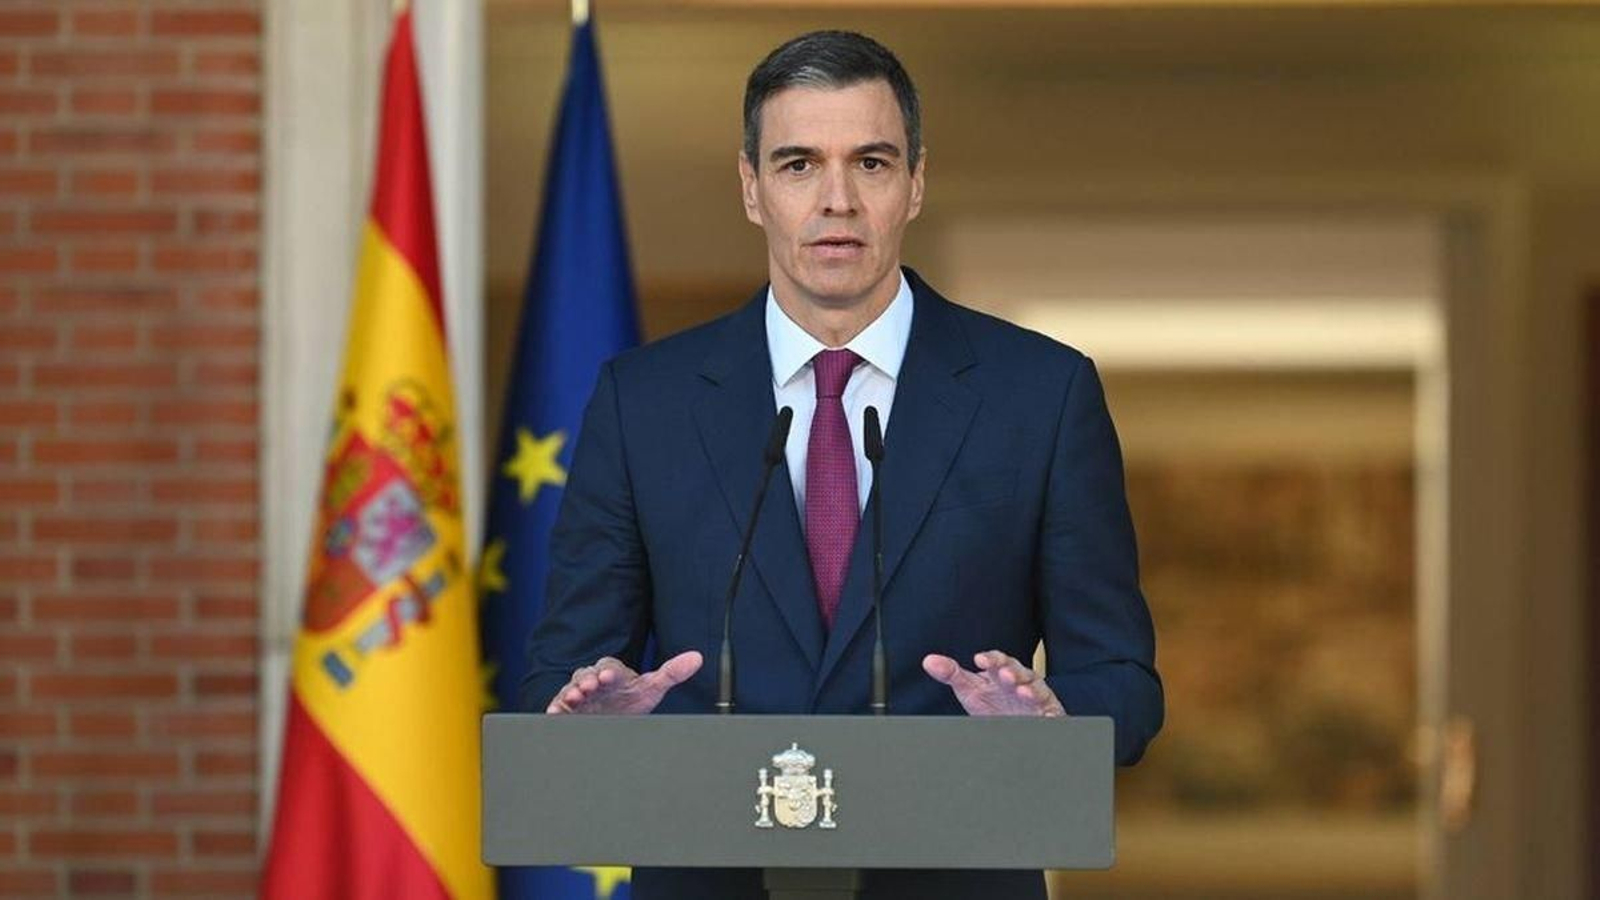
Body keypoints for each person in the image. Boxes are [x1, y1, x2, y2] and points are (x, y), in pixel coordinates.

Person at [522, 29, 1162, 900]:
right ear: (751, 189)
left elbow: (1122, 678)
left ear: (915, 183)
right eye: (797, 165)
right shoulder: (646, 402)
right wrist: (593, 718)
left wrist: (1056, 723)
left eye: (870, 163)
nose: (837, 201)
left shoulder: (1040, 395)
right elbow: (558, 673)